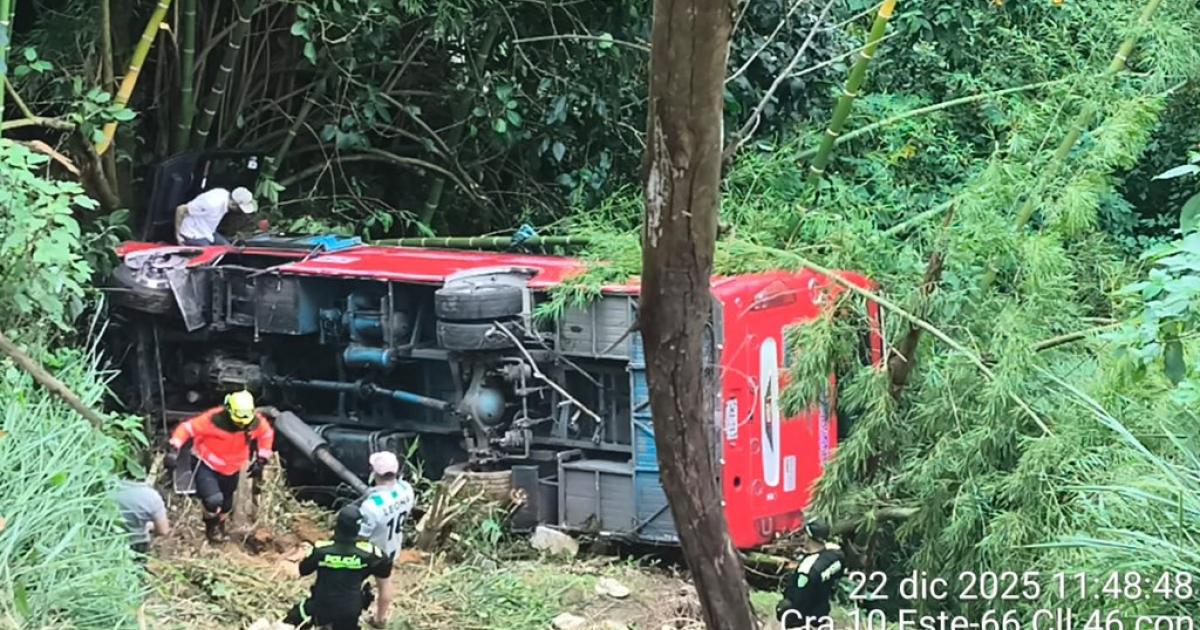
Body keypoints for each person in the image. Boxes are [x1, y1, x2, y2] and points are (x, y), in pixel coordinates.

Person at [165, 390, 275, 543]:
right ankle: (211, 526)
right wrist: (174, 448)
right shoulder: (212, 420)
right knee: (213, 500)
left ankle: (220, 525)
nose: (241, 425)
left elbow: (266, 435)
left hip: (232, 468)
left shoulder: (255, 422)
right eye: (238, 422)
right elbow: (187, 428)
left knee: (226, 505)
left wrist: (262, 459)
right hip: (206, 463)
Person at [284, 505, 393, 630]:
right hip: (351, 613)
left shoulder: (321, 550)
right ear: (358, 528)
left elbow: (302, 570)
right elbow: (385, 587)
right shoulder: (372, 554)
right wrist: (379, 620)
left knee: (289, 620)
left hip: (321, 609)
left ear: (337, 525)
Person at [356, 451, 415, 627]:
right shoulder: (406, 490)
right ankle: (380, 619)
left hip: (371, 552)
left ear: (373, 472)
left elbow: (362, 535)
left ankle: (352, 615)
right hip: (392, 548)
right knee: (385, 583)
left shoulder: (372, 505)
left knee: (352, 584)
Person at [776, 518, 846, 629]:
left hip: (803, 621)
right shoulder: (836, 555)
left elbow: (797, 599)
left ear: (807, 537)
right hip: (822, 614)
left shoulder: (807, 570)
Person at [175, 186, 258, 246]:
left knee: (228, 250)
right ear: (233, 204)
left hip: (208, 231)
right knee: (208, 258)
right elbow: (181, 209)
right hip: (192, 233)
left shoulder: (225, 196)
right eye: (239, 209)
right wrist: (178, 235)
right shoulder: (212, 203)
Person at [110, 477, 170, 556]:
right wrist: (150, 527)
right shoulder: (153, 498)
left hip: (109, 538)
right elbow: (163, 530)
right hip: (136, 542)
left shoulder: (110, 483)